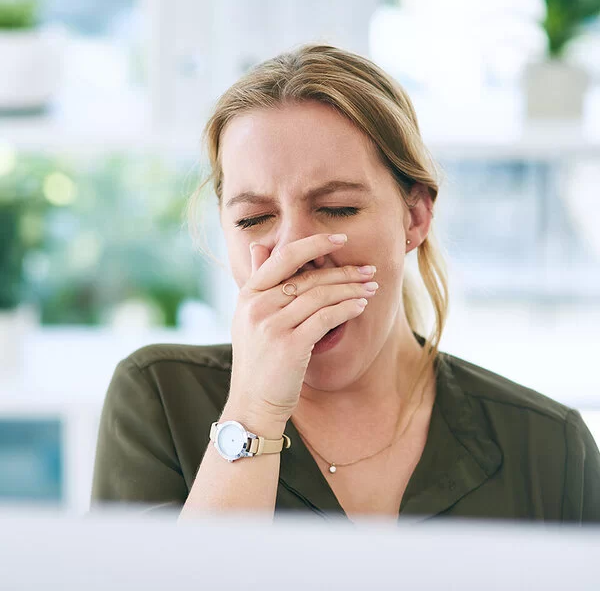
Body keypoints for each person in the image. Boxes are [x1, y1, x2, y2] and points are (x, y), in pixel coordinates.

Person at [91, 43, 600, 523]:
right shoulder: (157, 397)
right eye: (253, 219)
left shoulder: (552, 447)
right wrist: (253, 412)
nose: (294, 255)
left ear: (416, 217)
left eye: (337, 209)